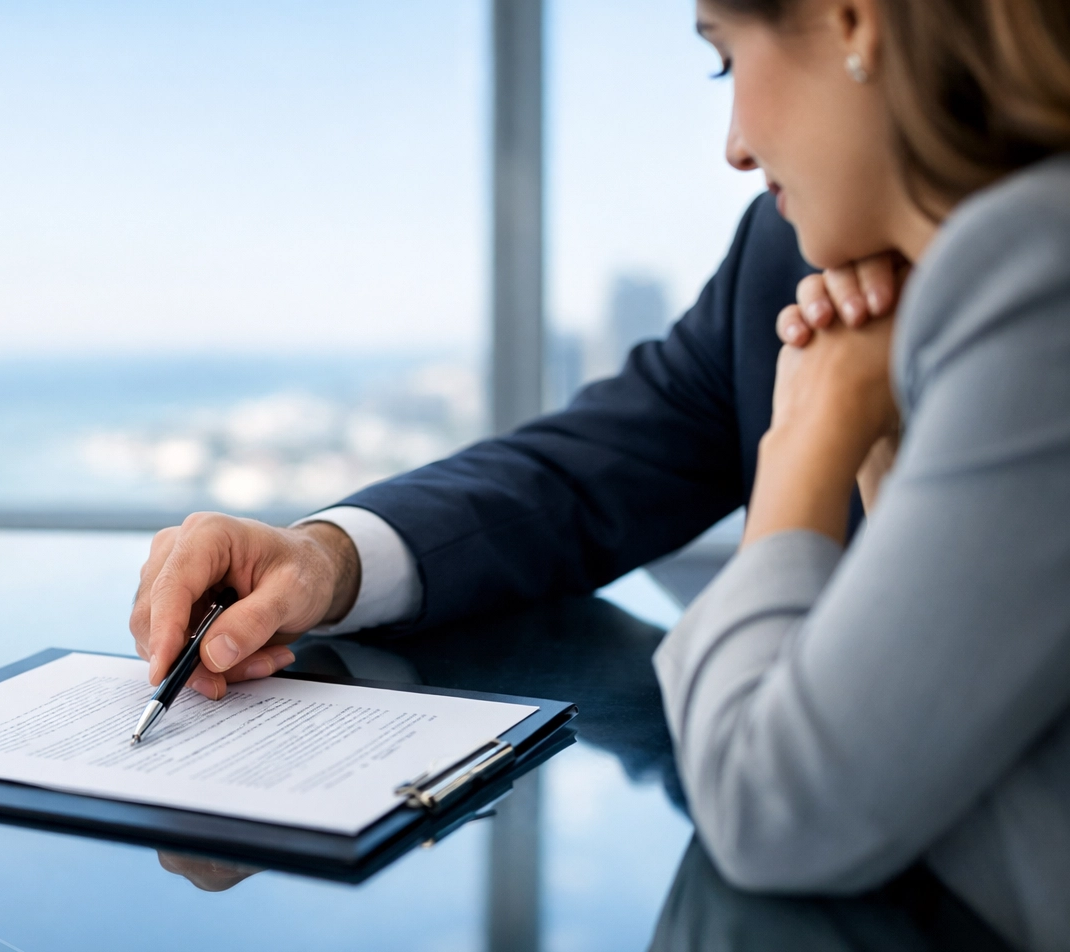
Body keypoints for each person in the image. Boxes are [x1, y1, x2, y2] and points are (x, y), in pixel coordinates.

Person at [650, 0, 1070, 952]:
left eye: (725, 62)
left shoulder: (1036, 272)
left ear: (853, 22)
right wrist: (883, 443)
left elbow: (768, 802)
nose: (735, 149)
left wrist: (812, 429)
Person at [130, 188, 901, 702]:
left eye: (727, 56)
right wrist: (326, 559)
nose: (735, 147)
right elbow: (577, 471)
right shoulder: (780, 244)